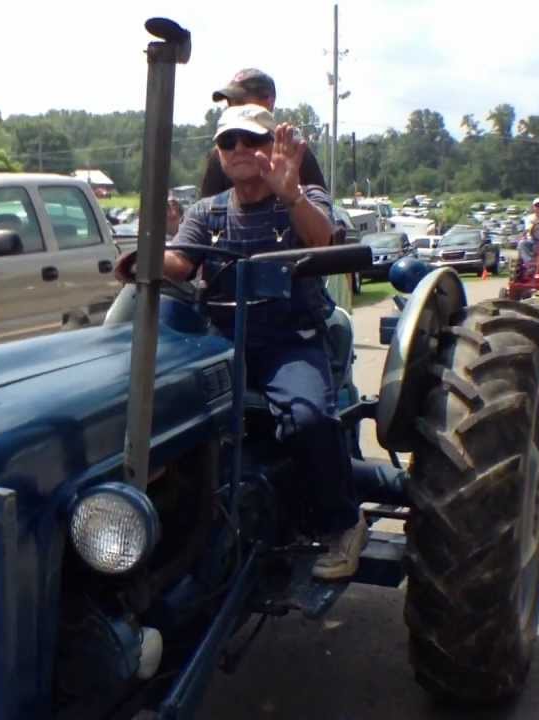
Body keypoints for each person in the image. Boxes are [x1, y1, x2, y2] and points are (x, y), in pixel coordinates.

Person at [120, 104, 365, 580]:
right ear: (218, 153)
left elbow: (325, 243)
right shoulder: (207, 212)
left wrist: (290, 193)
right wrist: (144, 257)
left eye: (252, 140)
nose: (239, 149)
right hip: (220, 341)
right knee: (157, 415)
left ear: (272, 147)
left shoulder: (303, 197)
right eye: (228, 141)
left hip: (286, 341)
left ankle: (343, 522)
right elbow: (181, 263)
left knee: (307, 418)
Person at [199, 68, 327, 198]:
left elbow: (322, 207)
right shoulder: (222, 154)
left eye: (240, 102)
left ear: (269, 102)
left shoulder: (295, 151)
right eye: (230, 103)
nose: (238, 148)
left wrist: (295, 199)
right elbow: (207, 205)